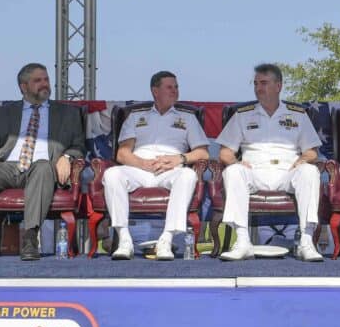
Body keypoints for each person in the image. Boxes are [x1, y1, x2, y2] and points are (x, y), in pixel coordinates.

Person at [0, 63, 86, 262]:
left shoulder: (68, 113)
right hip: (8, 166)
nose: (44, 84)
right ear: (23, 86)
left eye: (46, 79)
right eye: (38, 80)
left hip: (44, 167)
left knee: (42, 165)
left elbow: (79, 145)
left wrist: (67, 157)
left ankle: (30, 239)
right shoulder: (5, 112)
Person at [215, 64, 324, 262]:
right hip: (254, 172)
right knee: (232, 171)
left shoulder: (298, 114)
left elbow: (312, 151)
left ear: (278, 86)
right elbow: (225, 152)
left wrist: (302, 160)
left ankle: (306, 242)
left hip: (287, 172)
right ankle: (242, 241)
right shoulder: (242, 114)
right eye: (256, 83)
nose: (258, 88)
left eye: (264, 83)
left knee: (309, 171)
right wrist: (236, 162)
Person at [101, 71, 210, 260]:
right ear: (155, 91)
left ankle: (166, 239)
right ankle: (124, 239)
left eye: (176, 87)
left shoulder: (188, 118)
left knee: (188, 175)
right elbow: (122, 153)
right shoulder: (135, 117)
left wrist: (179, 159)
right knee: (112, 174)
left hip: (170, 170)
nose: (175, 91)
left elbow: (203, 153)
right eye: (169, 87)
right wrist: (142, 163)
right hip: (139, 169)